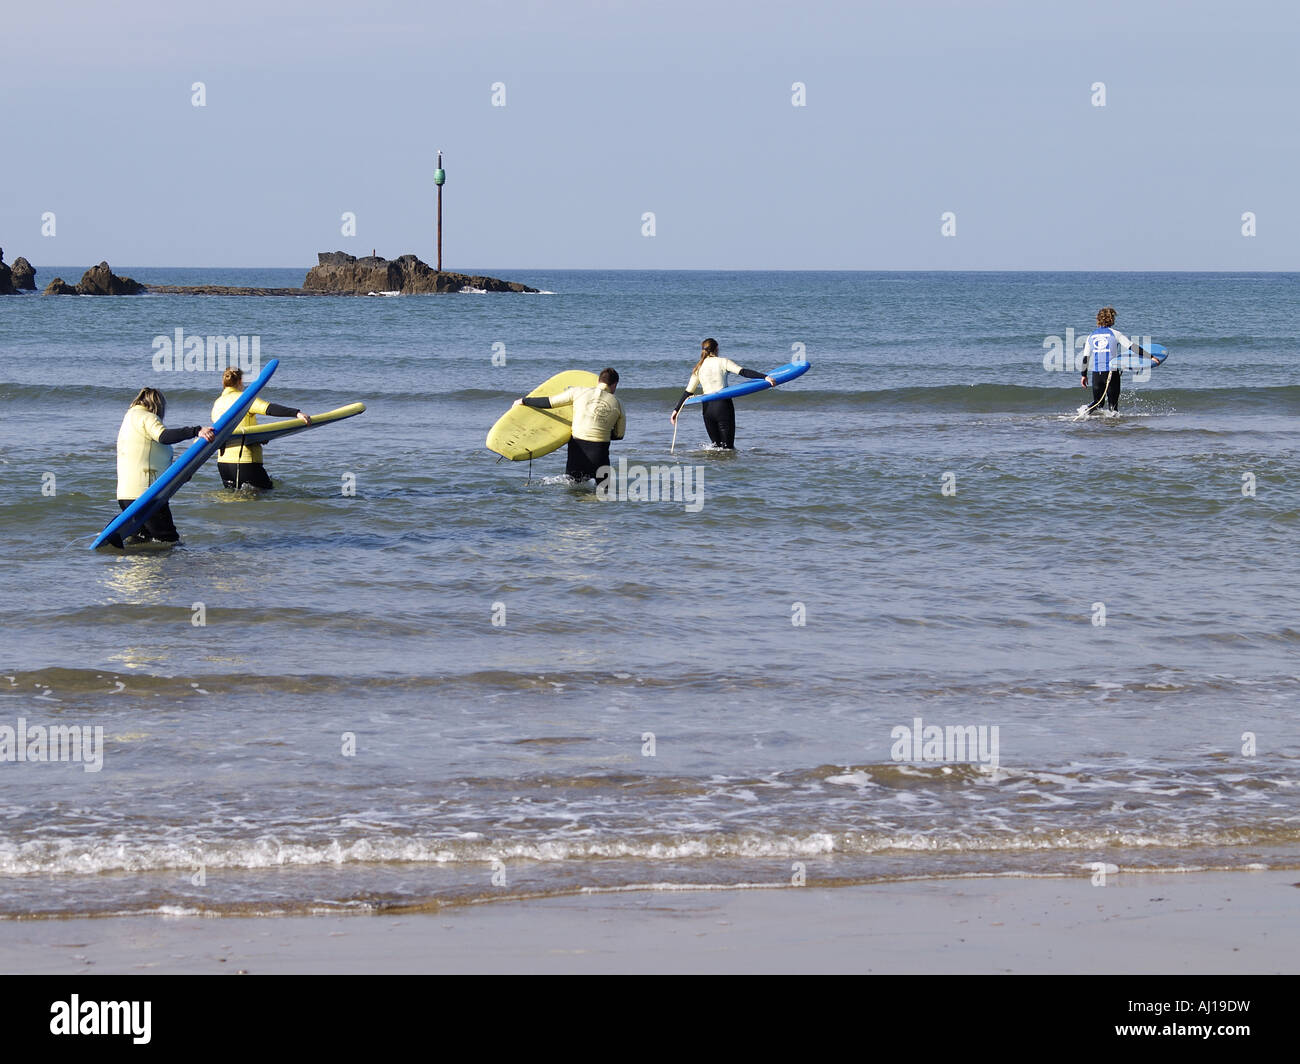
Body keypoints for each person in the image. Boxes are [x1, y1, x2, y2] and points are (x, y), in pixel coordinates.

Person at [115, 388, 215, 543]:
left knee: (143, 541)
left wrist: (179, 476)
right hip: (147, 495)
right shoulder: (147, 417)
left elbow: (146, 458)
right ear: (157, 404)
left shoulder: (129, 420)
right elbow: (163, 436)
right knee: (169, 541)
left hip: (126, 495)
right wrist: (196, 431)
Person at [513, 368, 625, 485]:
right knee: (604, 491)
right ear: (615, 384)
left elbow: (550, 402)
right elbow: (619, 435)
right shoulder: (618, 403)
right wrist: (602, 430)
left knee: (573, 489)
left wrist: (524, 401)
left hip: (577, 450)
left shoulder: (578, 391)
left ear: (598, 381)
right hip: (599, 453)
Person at [211, 367, 310, 490]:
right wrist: (296, 413)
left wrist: (258, 438)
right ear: (240, 381)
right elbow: (269, 408)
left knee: (234, 501)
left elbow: (231, 430)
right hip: (246, 462)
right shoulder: (244, 399)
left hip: (223, 464)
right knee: (268, 498)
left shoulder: (217, 403)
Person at [669, 338, 774, 448]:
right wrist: (765, 377)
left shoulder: (698, 367)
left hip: (707, 409)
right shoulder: (723, 362)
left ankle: (714, 465)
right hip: (723, 406)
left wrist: (676, 410)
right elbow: (743, 372)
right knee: (728, 448)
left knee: (716, 447)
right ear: (716, 349)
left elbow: (688, 392)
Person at [1080, 307, 1154, 414]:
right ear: (1111, 319)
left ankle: (1082, 414)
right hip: (1111, 373)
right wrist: (1150, 356)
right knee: (1112, 406)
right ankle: (1113, 429)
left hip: (1096, 374)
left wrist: (1083, 375)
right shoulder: (1115, 334)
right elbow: (1132, 347)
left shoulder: (1090, 336)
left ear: (1098, 319)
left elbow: (1086, 357)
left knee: (1098, 403)